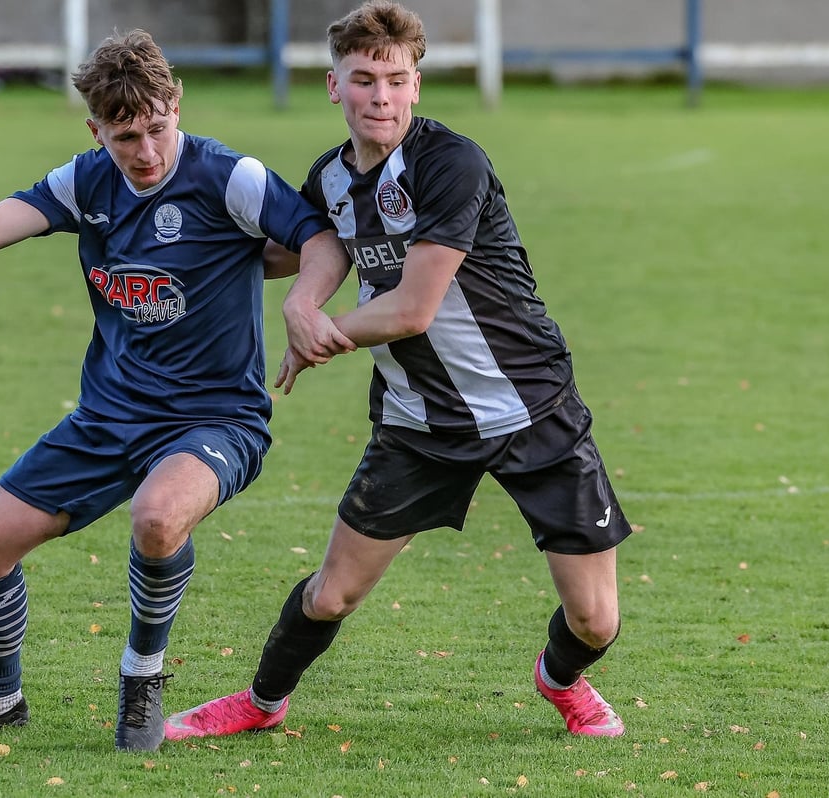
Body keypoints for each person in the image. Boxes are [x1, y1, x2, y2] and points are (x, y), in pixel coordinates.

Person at [0, 29, 345, 752]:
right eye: (125, 136)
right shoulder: (88, 181)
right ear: (96, 130)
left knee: (158, 517)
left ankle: (142, 679)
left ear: (177, 105)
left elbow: (320, 239)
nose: (146, 152)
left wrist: (302, 305)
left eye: (157, 128)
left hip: (215, 419)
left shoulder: (230, 176)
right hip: (108, 418)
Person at [163, 0, 633, 742]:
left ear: (416, 85)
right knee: (331, 594)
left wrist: (316, 332)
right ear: (334, 86)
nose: (379, 97)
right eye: (362, 79)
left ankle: (560, 679)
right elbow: (303, 249)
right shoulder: (330, 177)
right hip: (419, 424)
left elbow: (414, 309)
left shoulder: (451, 164)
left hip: (532, 409)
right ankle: (261, 702)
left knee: (596, 620)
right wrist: (186, 252)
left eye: (394, 80)